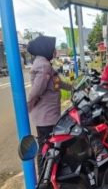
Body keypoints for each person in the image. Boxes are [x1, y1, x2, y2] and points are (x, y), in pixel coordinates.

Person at [27, 35, 72, 175]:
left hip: (50, 115)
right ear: (46, 49)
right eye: (53, 49)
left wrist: (73, 87)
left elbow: (59, 83)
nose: (55, 52)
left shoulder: (46, 64)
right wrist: (27, 108)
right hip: (45, 117)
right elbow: (36, 91)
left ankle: (51, 174)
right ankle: (44, 178)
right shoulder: (44, 66)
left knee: (50, 145)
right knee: (45, 148)